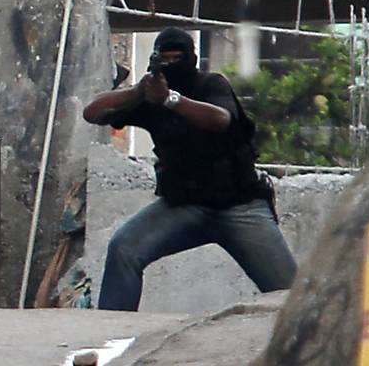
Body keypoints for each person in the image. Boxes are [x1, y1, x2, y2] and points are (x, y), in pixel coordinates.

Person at [82, 26, 297, 311]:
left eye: (177, 58)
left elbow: (220, 120)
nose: (172, 64)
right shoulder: (149, 98)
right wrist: (139, 90)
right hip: (183, 207)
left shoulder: (210, 84)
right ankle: (111, 339)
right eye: (165, 59)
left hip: (240, 207)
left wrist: (171, 100)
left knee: (291, 295)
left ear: (191, 59)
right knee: (124, 249)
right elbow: (93, 112)